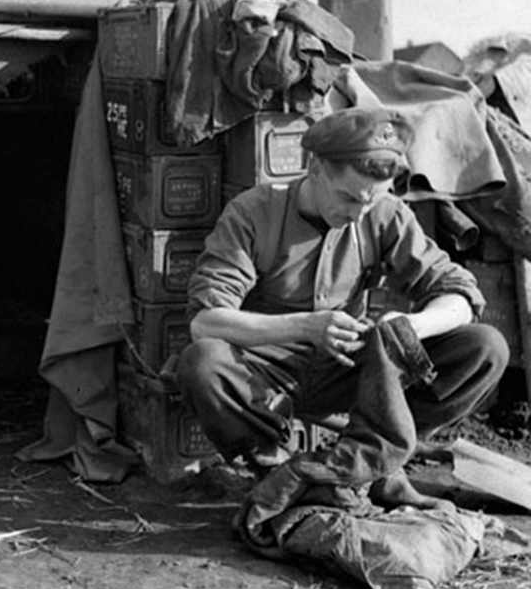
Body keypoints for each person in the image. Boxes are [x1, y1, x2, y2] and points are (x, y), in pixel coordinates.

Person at [176, 106, 509, 507]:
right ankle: (274, 467)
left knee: (485, 347)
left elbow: (460, 294)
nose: (357, 213)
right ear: (314, 168)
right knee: (203, 362)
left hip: (350, 371)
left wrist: (412, 324)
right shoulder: (252, 213)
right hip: (266, 372)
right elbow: (205, 321)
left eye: (370, 203)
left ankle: (378, 461)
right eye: (348, 197)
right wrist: (305, 326)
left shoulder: (385, 214)